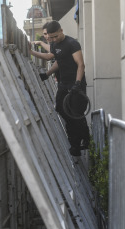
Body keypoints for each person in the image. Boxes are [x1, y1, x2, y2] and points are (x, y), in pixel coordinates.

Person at [41, 20, 90, 156]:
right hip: (64, 84)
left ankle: (81, 141)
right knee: (61, 110)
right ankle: (77, 138)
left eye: (55, 36)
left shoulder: (72, 43)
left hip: (76, 85)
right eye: (51, 37)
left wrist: (77, 83)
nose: (53, 39)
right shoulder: (55, 45)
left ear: (61, 31)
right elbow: (58, 62)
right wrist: (47, 74)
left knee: (76, 113)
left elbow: (80, 64)